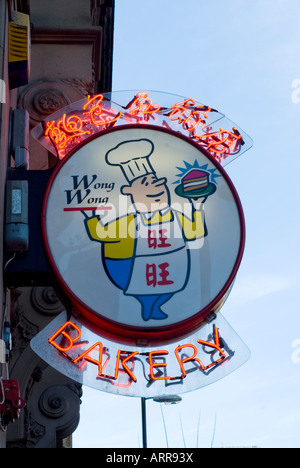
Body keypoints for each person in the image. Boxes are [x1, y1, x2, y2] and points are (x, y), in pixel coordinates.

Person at [84, 139, 208, 321]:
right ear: (131, 192)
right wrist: (91, 216)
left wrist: (197, 206)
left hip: (170, 268)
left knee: (167, 289)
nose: (158, 189)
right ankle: (148, 305)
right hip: (126, 265)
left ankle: (152, 306)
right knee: (144, 287)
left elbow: (195, 233)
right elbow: (100, 234)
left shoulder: (176, 216)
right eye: (148, 186)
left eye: (159, 185)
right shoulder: (130, 221)